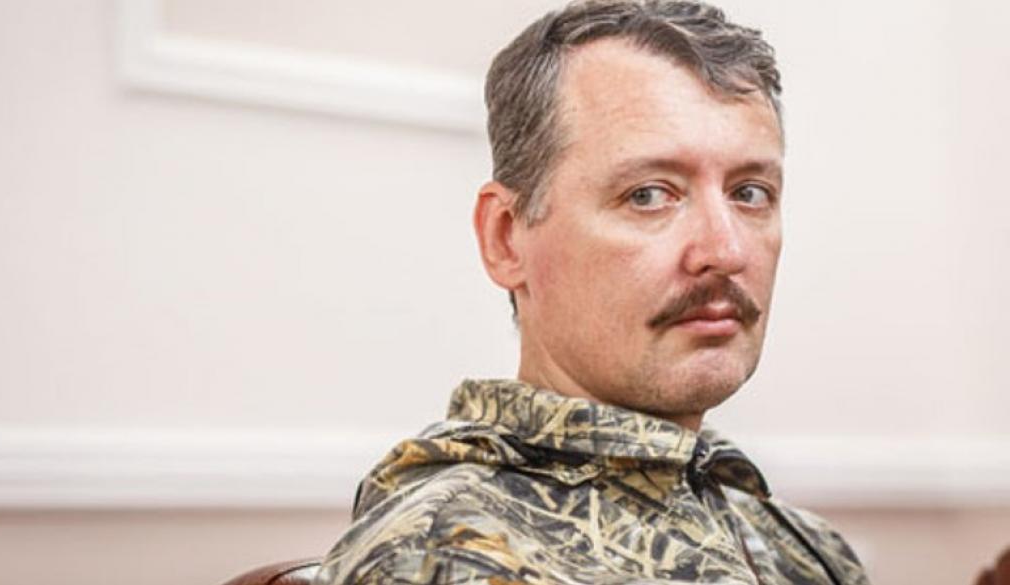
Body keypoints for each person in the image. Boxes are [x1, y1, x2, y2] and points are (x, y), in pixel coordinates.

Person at [315, 1, 870, 583]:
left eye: (750, 193)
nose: (726, 251)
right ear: (506, 238)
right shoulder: (453, 556)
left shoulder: (805, 548)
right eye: (648, 195)